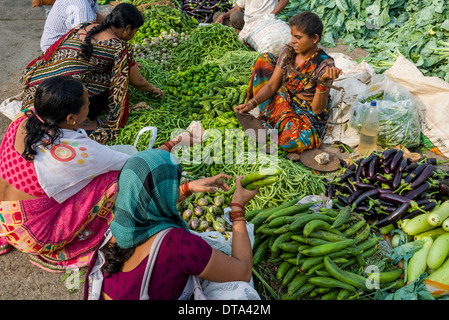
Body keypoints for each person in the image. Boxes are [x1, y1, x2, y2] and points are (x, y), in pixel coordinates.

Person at [0, 76, 188, 272]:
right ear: (70, 118)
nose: (90, 103)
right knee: (117, 180)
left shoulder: (25, 118)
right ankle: (122, 227)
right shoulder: (73, 152)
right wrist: (175, 142)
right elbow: (138, 164)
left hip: (6, 218)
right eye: (87, 103)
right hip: (37, 235)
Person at [84, 149, 259, 300]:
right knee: (239, 291)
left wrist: (186, 188)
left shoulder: (120, 226)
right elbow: (242, 272)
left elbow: (146, 202)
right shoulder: (177, 243)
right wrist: (237, 210)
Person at [20, 3, 165, 144]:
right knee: (115, 80)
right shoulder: (119, 47)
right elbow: (138, 81)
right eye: (135, 31)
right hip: (57, 101)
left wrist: (128, 63)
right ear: (127, 28)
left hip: (38, 90)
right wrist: (154, 89)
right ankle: (85, 123)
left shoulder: (86, 26)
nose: (134, 34)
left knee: (103, 73)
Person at [234, 11, 342, 156]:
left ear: (314, 38)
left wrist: (323, 83)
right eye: (292, 36)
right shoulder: (289, 51)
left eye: (298, 37)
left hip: (305, 112)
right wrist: (252, 103)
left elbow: (317, 110)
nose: (293, 41)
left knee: (295, 140)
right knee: (264, 60)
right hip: (283, 97)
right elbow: (272, 85)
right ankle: (271, 121)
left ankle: (270, 124)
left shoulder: (325, 65)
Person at [40, 0, 105, 52]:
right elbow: (85, 40)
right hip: (53, 51)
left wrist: (112, 24)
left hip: (70, 40)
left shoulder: (90, 1)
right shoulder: (81, 7)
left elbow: (95, 15)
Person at [214, 0, 289, 33]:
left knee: (235, 16)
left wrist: (272, 14)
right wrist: (223, 16)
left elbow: (284, 1)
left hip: (265, 21)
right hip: (248, 21)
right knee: (217, 16)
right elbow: (237, 8)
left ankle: (238, 33)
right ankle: (240, 32)